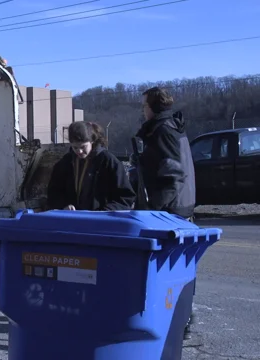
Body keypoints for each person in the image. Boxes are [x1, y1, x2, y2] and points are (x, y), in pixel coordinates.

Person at [135, 86, 197, 340]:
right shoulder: (172, 127)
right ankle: (180, 319)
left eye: (144, 105)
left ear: (153, 106)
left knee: (171, 270)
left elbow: (172, 175)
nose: (142, 109)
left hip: (171, 211)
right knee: (179, 268)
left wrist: (154, 210)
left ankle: (179, 320)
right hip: (180, 205)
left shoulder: (162, 131)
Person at [46, 121, 135, 211]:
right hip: (72, 219)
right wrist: (63, 205)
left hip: (101, 221)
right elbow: (54, 192)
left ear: (92, 141)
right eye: (75, 147)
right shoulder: (66, 162)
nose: (79, 151)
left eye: (83, 147)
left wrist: (104, 211)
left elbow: (126, 197)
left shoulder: (108, 161)